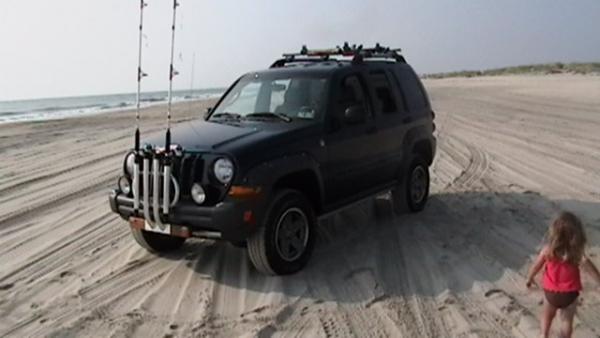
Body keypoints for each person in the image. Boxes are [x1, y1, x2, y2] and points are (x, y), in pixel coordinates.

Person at [526, 211, 600, 338]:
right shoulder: (576, 253)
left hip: (550, 292)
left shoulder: (548, 251)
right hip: (570, 294)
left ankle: (544, 334)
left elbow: (536, 266)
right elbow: (589, 267)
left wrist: (530, 278)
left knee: (546, 316)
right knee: (567, 321)